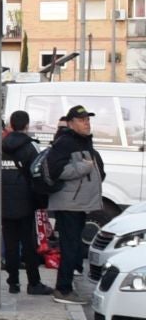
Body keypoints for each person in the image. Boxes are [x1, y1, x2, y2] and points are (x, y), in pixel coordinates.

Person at [45, 105, 105, 301]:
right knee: (69, 246)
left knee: (73, 245)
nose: (86, 123)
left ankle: (66, 286)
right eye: (81, 120)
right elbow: (56, 171)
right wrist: (83, 167)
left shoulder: (83, 141)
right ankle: (63, 289)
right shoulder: (65, 142)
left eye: (88, 119)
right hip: (68, 203)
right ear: (70, 123)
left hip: (78, 203)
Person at [0, 110, 51, 296]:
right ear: (27, 125)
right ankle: (33, 283)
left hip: (4, 201)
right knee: (28, 245)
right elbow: (37, 174)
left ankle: (13, 282)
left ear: (11, 125)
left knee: (10, 244)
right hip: (25, 201)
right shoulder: (30, 148)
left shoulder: (0, 146)